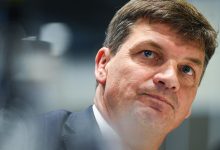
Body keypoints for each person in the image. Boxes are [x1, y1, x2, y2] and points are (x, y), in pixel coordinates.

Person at [33, 0, 218, 150]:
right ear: (103, 65)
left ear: (190, 103)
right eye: (149, 53)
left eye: (186, 69)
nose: (170, 79)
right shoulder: (33, 138)